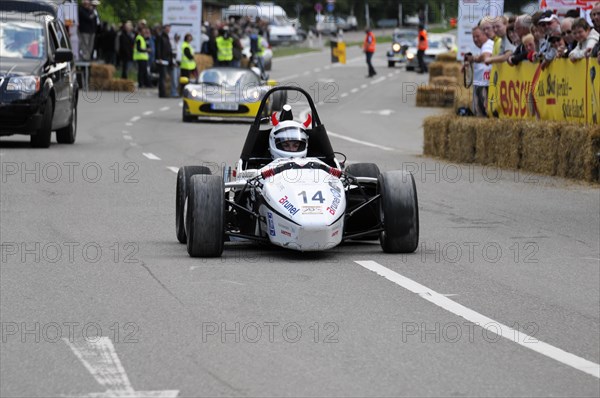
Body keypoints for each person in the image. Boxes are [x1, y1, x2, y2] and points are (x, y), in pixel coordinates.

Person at [463, 26, 493, 117]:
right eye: (473, 37)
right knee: (478, 115)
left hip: (484, 85)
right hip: (480, 84)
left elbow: (485, 56)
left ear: (485, 35)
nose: (475, 39)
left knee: (481, 116)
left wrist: (473, 59)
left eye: (478, 36)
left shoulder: (488, 44)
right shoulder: (484, 46)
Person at [156, 24, 173, 98]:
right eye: (167, 28)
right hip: (162, 59)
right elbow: (158, 48)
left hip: (167, 59)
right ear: (164, 29)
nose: (168, 30)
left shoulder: (167, 37)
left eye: (169, 28)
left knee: (165, 77)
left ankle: (165, 92)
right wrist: (159, 57)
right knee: (162, 77)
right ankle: (162, 93)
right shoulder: (161, 37)